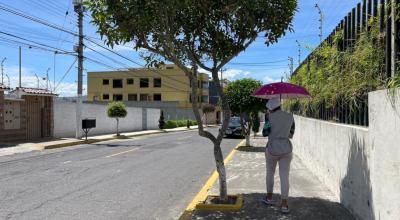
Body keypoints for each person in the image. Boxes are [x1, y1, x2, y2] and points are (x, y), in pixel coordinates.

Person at [262, 98, 295, 214]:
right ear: (280, 106)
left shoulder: (268, 117)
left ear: (270, 108)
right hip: (286, 148)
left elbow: (264, 133)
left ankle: (269, 198)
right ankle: (284, 204)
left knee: (270, 173)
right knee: (284, 176)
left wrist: (269, 122)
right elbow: (291, 134)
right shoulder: (290, 116)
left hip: (272, 149)